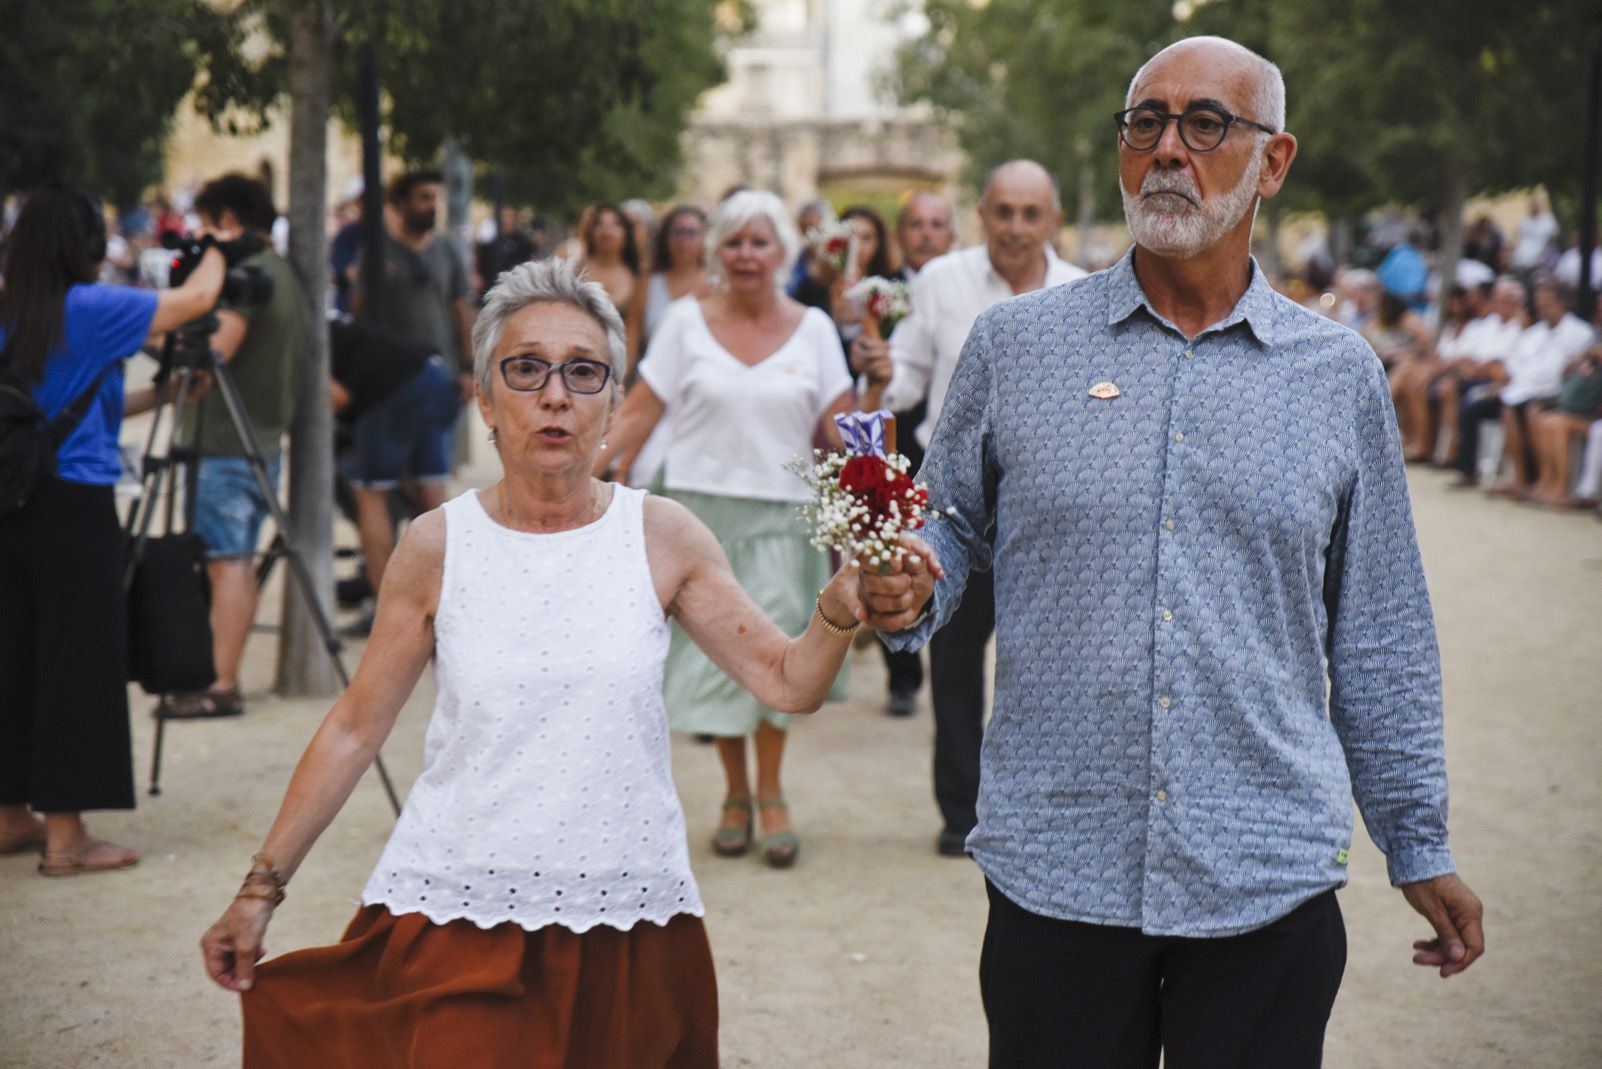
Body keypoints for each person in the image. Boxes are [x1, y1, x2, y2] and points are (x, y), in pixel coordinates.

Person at [858, 36, 1484, 1065]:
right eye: (1145, 122)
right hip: (1057, 865)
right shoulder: (1017, 348)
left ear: (1273, 161)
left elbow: (1379, 628)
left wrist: (1416, 838)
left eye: (1205, 124)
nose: (1167, 149)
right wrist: (909, 583)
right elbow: (951, 522)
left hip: (1264, 871)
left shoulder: (1338, 376)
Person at [198, 260, 871, 1066]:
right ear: (485, 398)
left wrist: (841, 604)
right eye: (526, 369)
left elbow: (788, 681)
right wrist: (259, 889)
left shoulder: (664, 535)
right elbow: (353, 728)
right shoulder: (435, 544)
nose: (556, 395)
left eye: (584, 372)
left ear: (613, 401)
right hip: (460, 908)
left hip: (628, 916)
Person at [601, 191, 858, 868]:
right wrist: (579, 469)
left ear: (783, 253)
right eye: (735, 242)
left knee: (779, 649)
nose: (747, 255)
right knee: (714, 661)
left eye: (760, 242)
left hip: (784, 514)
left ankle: (771, 791)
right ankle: (734, 792)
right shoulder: (684, 322)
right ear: (718, 251)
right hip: (698, 515)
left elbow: (845, 428)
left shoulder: (815, 329)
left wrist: (875, 481)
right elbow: (639, 411)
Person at [853, 160, 1086, 855]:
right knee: (954, 663)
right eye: (1003, 211)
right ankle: (961, 813)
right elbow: (907, 381)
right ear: (980, 215)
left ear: (1053, 221)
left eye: (1030, 213)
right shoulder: (940, 281)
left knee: (1054, 660)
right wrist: (882, 373)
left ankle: (1047, 806)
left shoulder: (1084, 292)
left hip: (1050, 506)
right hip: (956, 502)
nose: (1015, 226)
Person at [0, 183, 224, 873]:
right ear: (85, 246)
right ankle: (67, 837)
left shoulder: (13, 308)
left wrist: (163, 395)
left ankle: (10, 815)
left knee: (15, 656)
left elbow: (57, 405)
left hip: (10, 500)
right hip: (74, 503)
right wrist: (217, 247)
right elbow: (196, 300)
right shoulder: (89, 306)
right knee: (77, 660)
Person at [157, 174, 311, 720]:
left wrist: (159, 329)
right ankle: (220, 679)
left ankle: (219, 684)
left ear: (226, 220)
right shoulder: (283, 272)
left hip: (224, 441)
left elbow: (212, 352)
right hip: (257, 439)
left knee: (227, 564)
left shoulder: (245, 275)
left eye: (203, 225)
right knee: (234, 560)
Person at [868, 191, 958, 719]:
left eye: (936, 224)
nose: (926, 234)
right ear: (900, 235)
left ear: (952, 234)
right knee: (893, 547)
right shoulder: (878, 291)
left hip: (953, 440)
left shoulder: (968, 289)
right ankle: (902, 674)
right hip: (897, 433)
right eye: (916, 224)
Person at [354, 169, 476, 404]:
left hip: (443, 373)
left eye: (435, 198)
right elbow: (358, 310)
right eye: (424, 198)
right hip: (392, 377)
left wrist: (468, 367)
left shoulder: (448, 250)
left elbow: (462, 309)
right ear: (402, 204)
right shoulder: (377, 251)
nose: (433, 206)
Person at [620, 204, 710, 490]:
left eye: (691, 232)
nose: (683, 240)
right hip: (654, 382)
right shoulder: (648, 280)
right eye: (676, 231)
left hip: (699, 385)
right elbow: (633, 335)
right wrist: (620, 380)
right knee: (642, 466)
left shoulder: (716, 284)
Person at [1528, 341, 1602, 506]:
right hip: (1576, 414)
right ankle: (1547, 483)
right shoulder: (1587, 364)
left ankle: (1561, 489)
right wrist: (1582, 360)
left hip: (1591, 418)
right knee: (1545, 421)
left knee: (1558, 423)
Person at [576, 204, 644, 362]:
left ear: (626, 233)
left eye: (616, 224)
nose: (607, 230)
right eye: (600, 224)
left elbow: (633, 330)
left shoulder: (638, 276)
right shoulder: (575, 272)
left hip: (617, 362)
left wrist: (623, 370)